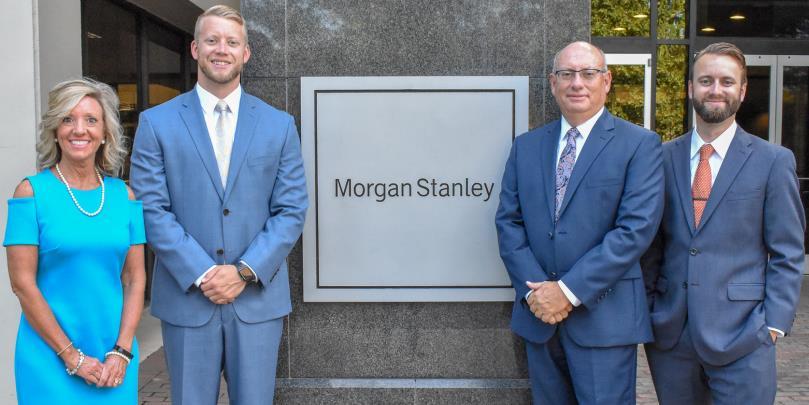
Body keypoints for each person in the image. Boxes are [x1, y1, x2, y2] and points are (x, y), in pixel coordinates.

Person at [129, 5, 307, 404]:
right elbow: (151, 209)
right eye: (211, 40)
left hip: (256, 302)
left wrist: (243, 272)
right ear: (195, 49)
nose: (221, 49)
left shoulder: (279, 125)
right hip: (188, 299)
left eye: (231, 42)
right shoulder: (156, 123)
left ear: (246, 53)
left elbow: (292, 208)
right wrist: (205, 273)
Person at [495, 41, 664, 404]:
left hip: (604, 320)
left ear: (607, 81)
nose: (577, 83)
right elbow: (509, 223)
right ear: (552, 82)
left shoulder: (639, 145)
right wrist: (537, 294)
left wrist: (566, 291)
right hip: (539, 318)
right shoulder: (526, 147)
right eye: (567, 74)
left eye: (588, 73)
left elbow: (634, 231)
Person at [642, 42, 805, 405]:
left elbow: (788, 252)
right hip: (672, 338)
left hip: (745, 335)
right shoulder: (660, 158)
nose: (715, 89)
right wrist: (652, 309)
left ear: (742, 91)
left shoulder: (773, 161)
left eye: (727, 82)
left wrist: (773, 324)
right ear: (690, 88)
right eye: (706, 80)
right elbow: (650, 244)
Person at [3, 78, 146, 404]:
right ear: (55, 130)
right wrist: (71, 357)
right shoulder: (30, 193)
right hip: (48, 357)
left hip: (114, 359)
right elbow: (22, 284)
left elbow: (135, 279)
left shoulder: (124, 197)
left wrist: (122, 350)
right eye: (68, 119)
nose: (79, 129)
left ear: (105, 132)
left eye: (91, 120)